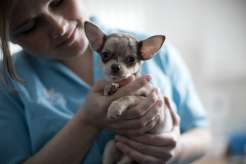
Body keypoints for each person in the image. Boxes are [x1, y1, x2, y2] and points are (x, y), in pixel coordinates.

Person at [0, 0, 211, 163]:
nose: (60, 28)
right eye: (28, 26)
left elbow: (202, 133)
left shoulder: (157, 51)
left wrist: (176, 149)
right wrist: (87, 121)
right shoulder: (7, 81)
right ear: (8, 37)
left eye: (58, 1)